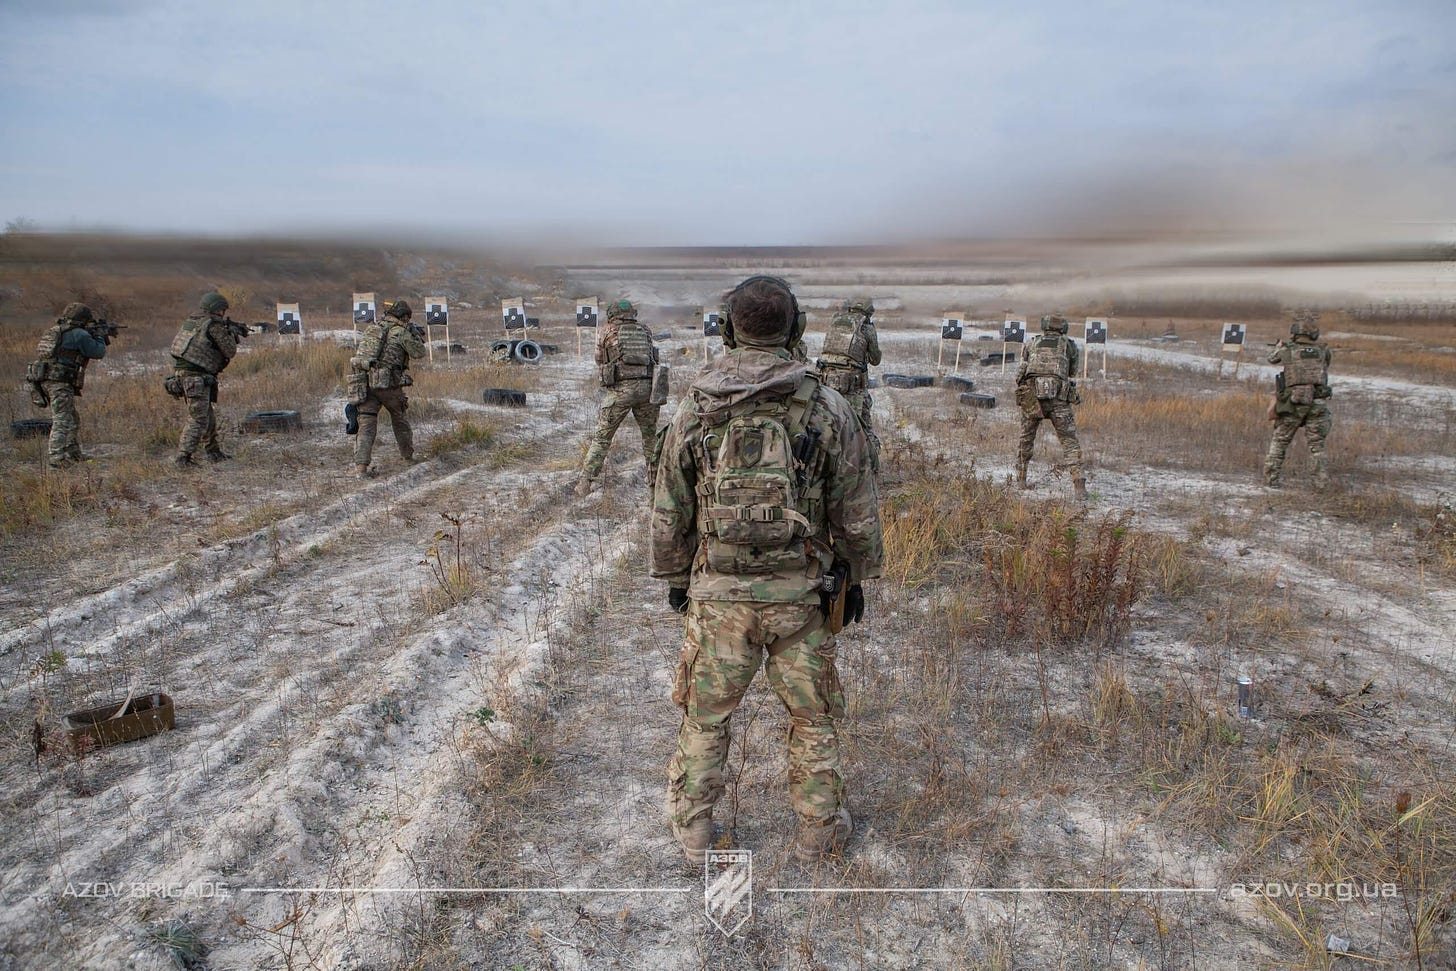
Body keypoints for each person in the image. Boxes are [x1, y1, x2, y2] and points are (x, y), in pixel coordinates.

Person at [652, 275, 883, 865]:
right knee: (813, 719)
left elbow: (669, 500)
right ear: (798, 329)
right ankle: (818, 832)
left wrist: (679, 577)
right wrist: (854, 575)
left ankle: (695, 835)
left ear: (728, 329)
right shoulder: (826, 404)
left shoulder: (696, 403)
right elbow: (855, 501)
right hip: (802, 595)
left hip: (720, 597)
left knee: (705, 719)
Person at [577, 299, 661, 496]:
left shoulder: (606, 330)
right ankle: (656, 480)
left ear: (612, 314)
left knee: (602, 438)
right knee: (650, 437)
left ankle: (585, 482)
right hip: (647, 389)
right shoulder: (645, 330)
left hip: (620, 390)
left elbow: (599, 358)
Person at [27, 302, 109, 469]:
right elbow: (98, 352)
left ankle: (72, 451)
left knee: (72, 417)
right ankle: (56, 457)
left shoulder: (55, 330)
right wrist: (100, 335)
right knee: (62, 418)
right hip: (59, 381)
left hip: (45, 378)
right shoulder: (79, 334)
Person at [349, 299, 426, 478]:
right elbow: (419, 353)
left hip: (366, 382)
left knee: (366, 425)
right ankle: (408, 456)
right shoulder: (400, 332)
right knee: (400, 420)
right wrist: (414, 335)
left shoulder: (373, 329)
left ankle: (360, 468)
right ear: (405, 316)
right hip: (389, 385)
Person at [1014, 313, 1086, 500]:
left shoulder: (1031, 343)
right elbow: (1072, 372)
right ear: (1064, 327)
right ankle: (1079, 486)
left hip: (1032, 397)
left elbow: (1020, 374)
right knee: (1069, 441)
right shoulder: (1069, 345)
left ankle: (1020, 480)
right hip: (1059, 399)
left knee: (1026, 439)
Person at [169, 292, 244, 467]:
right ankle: (183, 458)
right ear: (217, 309)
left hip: (183, 375)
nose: (223, 313)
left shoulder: (192, 322)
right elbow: (230, 351)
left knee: (207, 415)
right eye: (222, 310)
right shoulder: (214, 326)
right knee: (198, 418)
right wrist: (231, 334)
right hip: (195, 378)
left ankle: (213, 451)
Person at [1264, 309, 1333, 489]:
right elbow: (1325, 363)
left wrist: (1279, 346)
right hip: (1318, 402)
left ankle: (1271, 480)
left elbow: (1271, 359)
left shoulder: (1288, 349)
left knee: (1280, 440)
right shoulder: (1323, 351)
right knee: (1317, 446)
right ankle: (1320, 484)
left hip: (1294, 402)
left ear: (1295, 333)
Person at [815, 295, 882, 466]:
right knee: (861, 427)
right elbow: (875, 359)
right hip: (852, 386)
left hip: (825, 382)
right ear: (868, 312)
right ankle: (869, 465)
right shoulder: (866, 328)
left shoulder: (835, 322)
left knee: (827, 426)